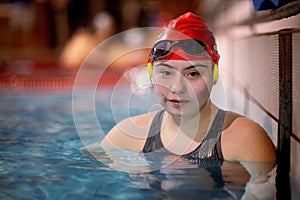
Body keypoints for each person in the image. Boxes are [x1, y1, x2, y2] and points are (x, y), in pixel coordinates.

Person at [100, 12, 276, 163]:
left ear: (214, 75)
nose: (177, 88)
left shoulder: (245, 140)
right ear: (151, 74)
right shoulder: (126, 136)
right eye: (166, 73)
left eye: (193, 74)